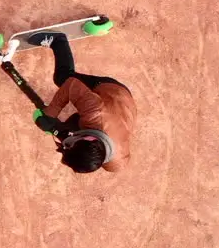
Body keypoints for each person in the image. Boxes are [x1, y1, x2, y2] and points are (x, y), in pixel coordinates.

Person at [28, 33, 137, 174]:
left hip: (125, 112)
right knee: (63, 77)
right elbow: (70, 85)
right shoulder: (94, 111)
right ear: (90, 138)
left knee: (68, 126)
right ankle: (58, 41)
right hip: (112, 91)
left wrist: (59, 132)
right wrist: (51, 114)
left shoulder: (116, 164)